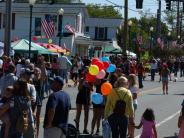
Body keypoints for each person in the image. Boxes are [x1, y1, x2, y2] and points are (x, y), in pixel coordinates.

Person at [74, 67, 93, 134]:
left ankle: (85, 129)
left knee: (86, 114)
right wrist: (82, 82)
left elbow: (92, 89)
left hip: (87, 97)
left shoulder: (91, 80)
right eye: (86, 72)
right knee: (78, 113)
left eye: (88, 72)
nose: (86, 73)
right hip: (80, 97)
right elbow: (79, 89)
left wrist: (88, 85)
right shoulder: (81, 79)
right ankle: (77, 128)